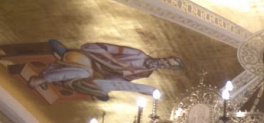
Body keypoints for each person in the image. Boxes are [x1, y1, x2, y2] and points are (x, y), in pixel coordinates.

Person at [28, 40, 184, 100]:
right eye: (165, 60)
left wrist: (109, 85)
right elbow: (106, 49)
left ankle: (96, 91)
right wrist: (118, 65)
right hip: (93, 58)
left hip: (99, 73)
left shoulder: (145, 73)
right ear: (163, 57)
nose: (163, 64)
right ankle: (44, 78)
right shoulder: (138, 54)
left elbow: (122, 80)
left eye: (167, 65)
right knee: (84, 72)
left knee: (94, 84)